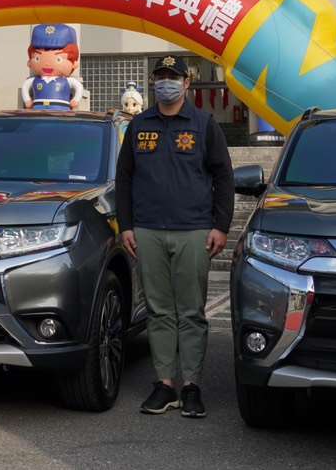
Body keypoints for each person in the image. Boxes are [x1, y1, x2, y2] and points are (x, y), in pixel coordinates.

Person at [115, 56, 234, 419]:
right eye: (161, 77)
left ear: (187, 84)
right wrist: (127, 226)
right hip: (148, 231)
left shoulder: (204, 124)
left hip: (194, 231)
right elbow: (124, 178)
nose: (166, 82)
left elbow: (224, 177)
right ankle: (165, 383)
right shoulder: (138, 126)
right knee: (160, 311)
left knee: (191, 312)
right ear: (153, 83)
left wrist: (221, 226)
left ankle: (192, 385)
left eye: (173, 77)